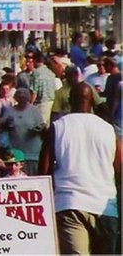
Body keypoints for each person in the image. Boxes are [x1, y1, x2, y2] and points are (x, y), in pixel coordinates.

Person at [39, 82, 120, 254]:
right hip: (105, 205)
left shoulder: (58, 127)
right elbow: (120, 171)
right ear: (92, 101)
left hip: (69, 203)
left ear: (69, 100)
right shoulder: (108, 130)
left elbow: (44, 172)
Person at [0, 88, 46, 175]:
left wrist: (38, 129)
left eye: (24, 97)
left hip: (32, 151)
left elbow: (42, 126)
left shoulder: (34, 111)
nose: (22, 98)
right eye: (19, 97)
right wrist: (6, 124)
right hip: (15, 151)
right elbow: (1, 127)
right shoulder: (9, 110)